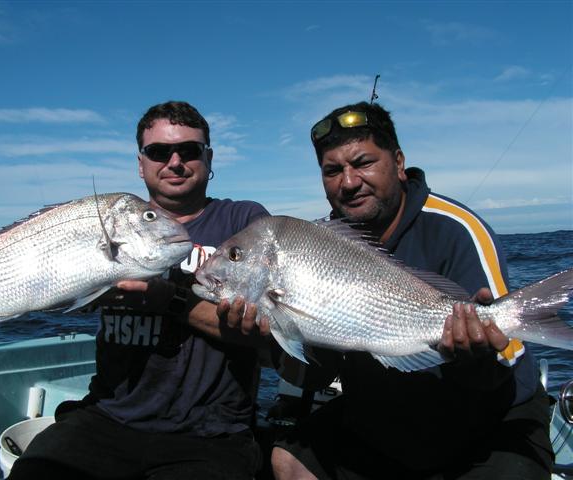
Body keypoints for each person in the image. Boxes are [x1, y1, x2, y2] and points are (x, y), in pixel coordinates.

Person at [0, 101, 269, 479]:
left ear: (208, 157)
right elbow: (45, 285)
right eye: (158, 152)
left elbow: (267, 335)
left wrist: (168, 299)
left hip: (210, 433)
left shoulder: (244, 221)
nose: (174, 161)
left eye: (189, 150)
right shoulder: (109, 217)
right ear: (140, 163)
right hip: (107, 415)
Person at [234, 102, 552, 479]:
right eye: (332, 171)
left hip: (487, 421)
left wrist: (475, 354)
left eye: (363, 163)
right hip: (382, 414)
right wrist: (270, 341)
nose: (348, 182)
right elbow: (316, 375)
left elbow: (505, 364)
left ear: (398, 163)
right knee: (288, 460)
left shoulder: (456, 228)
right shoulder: (314, 242)